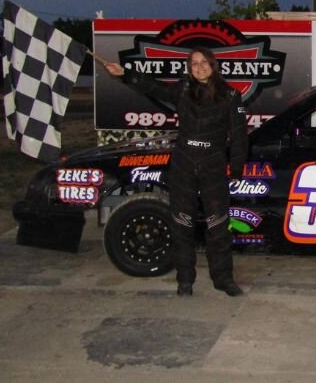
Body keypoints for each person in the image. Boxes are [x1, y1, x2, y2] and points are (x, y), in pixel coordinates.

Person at [104, 48, 248, 297]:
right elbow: (152, 87)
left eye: (204, 62)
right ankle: (185, 281)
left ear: (213, 65)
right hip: (183, 162)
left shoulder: (231, 95)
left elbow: (239, 136)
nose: (200, 67)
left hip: (213, 163)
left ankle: (224, 279)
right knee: (182, 222)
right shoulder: (181, 90)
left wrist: (236, 169)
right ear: (189, 68)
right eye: (194, 64)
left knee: (218, 225)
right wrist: (125, 74)